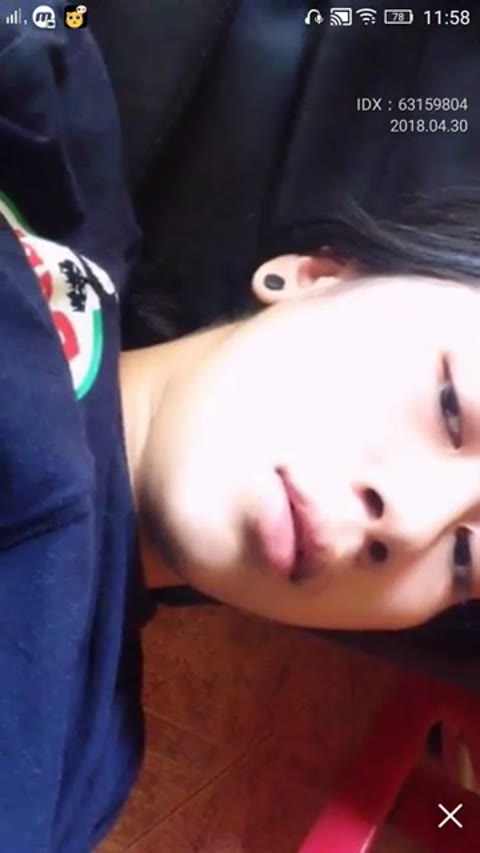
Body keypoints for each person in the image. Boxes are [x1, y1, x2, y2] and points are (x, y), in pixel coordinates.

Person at [2, 2, 480, 851]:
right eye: (451, 406)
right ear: (316, 275)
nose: (408, 524)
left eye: (466, 562)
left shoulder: (64, 755)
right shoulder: (61, 129)